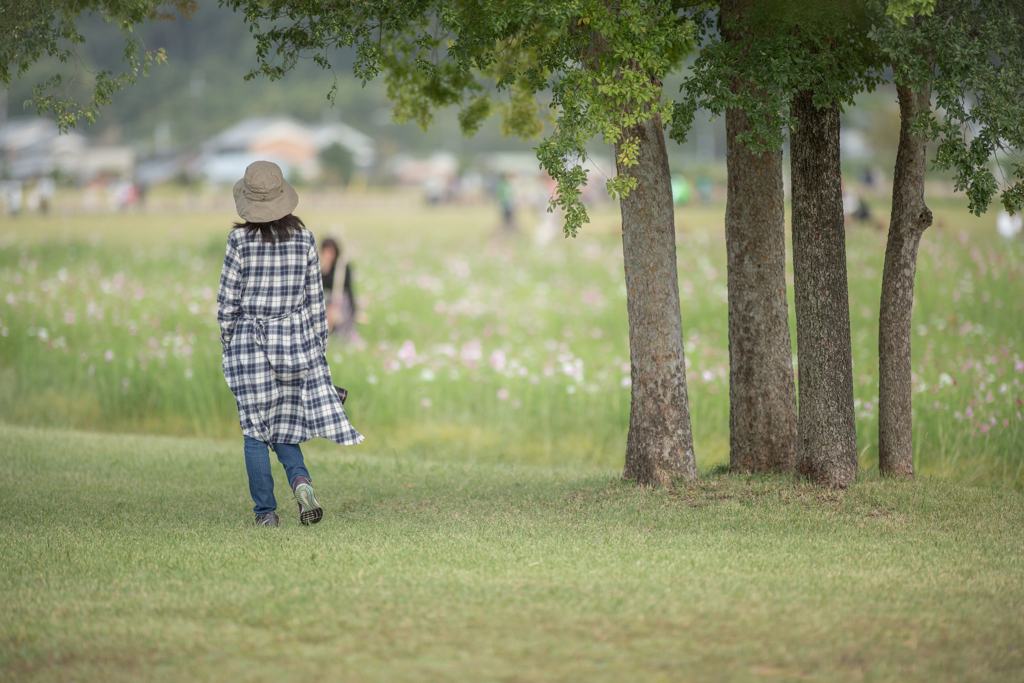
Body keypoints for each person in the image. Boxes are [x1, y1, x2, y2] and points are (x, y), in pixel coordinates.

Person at [217, 160, 363, 528]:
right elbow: (316, 303)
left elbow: (226, 304)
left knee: (255, 430)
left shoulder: (239, 241)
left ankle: (266, 514)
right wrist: (316, 354)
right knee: (283, 424)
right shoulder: (305, 240)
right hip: (294, 344)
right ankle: (300, 482)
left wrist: (230, 344)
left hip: (250, 344)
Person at [320, 236, 357, 339]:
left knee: (342, 334)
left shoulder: (343, 266)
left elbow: (349, 289)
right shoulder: (322, 268)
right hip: (328, 302)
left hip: (342, 301)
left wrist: (354, 310)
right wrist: (324, 269)